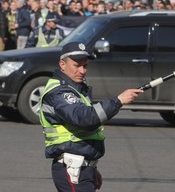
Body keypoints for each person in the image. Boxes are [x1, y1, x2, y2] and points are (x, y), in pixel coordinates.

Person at [39, 42, 143, 191]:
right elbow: (85, 118)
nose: (82, 70)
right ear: (62, 64)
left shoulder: (76, 89)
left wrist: (91, 167)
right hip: (72, 168)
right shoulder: (60, 92)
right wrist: (118, 101)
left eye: (85, 65)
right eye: (77, 65)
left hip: (80, 168)